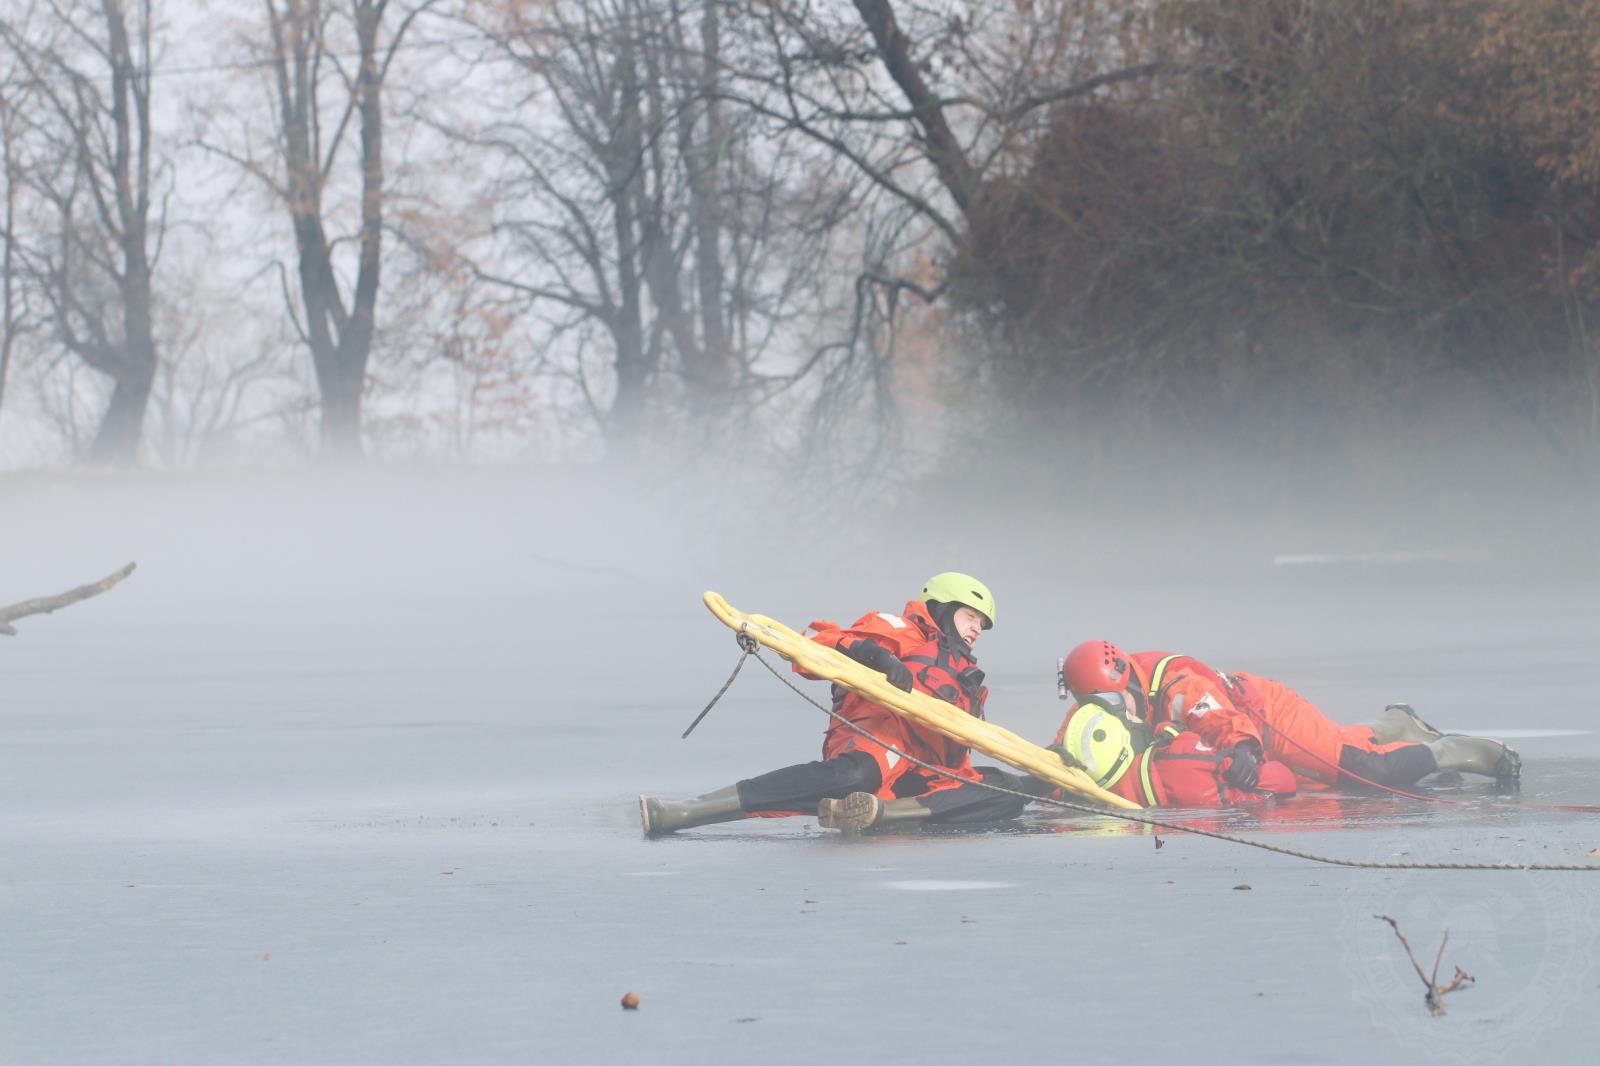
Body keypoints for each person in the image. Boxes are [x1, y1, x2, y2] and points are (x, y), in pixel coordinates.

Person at [640, 573, 1030, 836]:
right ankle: (689, 811)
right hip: (874, 746)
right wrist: (873, 656)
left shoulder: (968, 678)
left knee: (1007, 787)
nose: (977, 628)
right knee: (860, 775)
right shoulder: (896, 630)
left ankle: (879, 814)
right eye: (969, 617)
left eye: (981, 622)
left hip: (922, 775)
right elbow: (817, 649)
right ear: (942, 610)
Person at [1057, 640, 1521, 791]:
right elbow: (1077, 739)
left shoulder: (1179, 687)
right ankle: (1395, 723)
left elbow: (1215, 716)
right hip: (1251, 720)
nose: (1121, 715)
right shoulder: (1115, 693)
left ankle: (1454, 750)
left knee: (1363, 772)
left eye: (1119, 704)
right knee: (1337, 746)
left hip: (1268, 719)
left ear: (1124, 681)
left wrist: (1240, 747)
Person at [1044, 691, 1298, 807]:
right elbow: (1283, 780)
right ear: (1124, 743)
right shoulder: (1180, 758)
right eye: (1129, 719)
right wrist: (1243, 756)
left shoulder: (1090, 793)